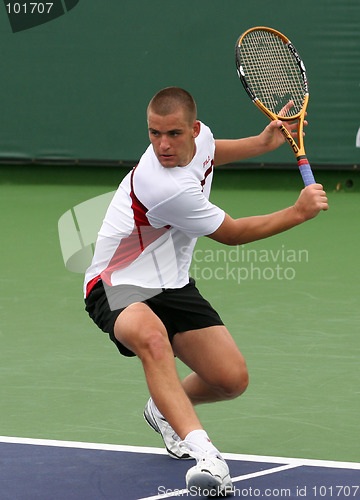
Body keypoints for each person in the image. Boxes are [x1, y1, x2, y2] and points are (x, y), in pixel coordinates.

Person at [84, 87, 328, 496]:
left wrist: (263, 141)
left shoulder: (202, 140)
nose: (163, 144)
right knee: (151, 338)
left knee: (230, 379)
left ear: (194, 129)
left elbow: (213, 152)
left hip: (171, 282)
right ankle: (207, 457)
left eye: (174, 134)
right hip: (116, 281)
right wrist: (298, 212)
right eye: (154, 134)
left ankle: (165, 409)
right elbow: (232, 234)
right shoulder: (164, 186)